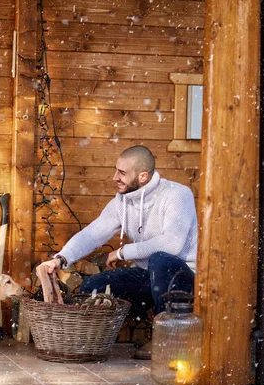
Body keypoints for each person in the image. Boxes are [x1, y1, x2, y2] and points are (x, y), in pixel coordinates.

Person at [36, 145, 198, 359]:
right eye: (116, 170)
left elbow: (172, 243)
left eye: (122, 173)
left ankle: (166, 339)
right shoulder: (122, 202)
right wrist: (61, 258)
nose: (115, 177)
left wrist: (122, 253)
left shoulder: (177, 194)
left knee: (160, 260)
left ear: (142, 176)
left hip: (182, 279)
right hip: (148, 277)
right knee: (94, 286)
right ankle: (87, 342)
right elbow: (93, 233)